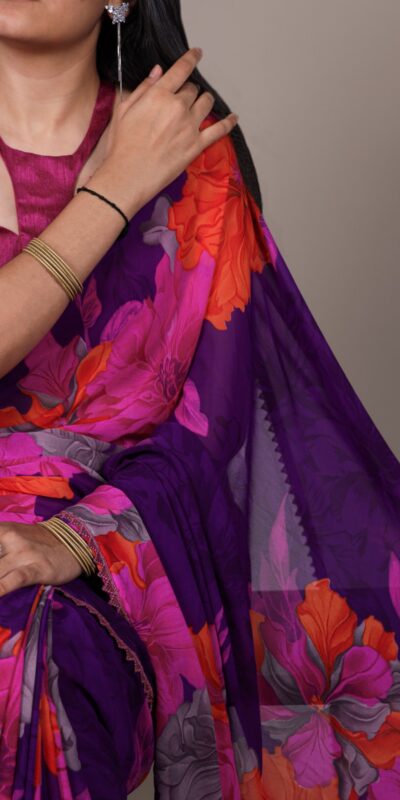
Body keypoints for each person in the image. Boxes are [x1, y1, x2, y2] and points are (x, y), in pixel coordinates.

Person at [0, 1, 399, 798]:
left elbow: (210, 430)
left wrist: (75, 542)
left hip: (93, 566)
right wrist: (111, 193)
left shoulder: (191, 162)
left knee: (31, 653)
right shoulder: (136, 171)